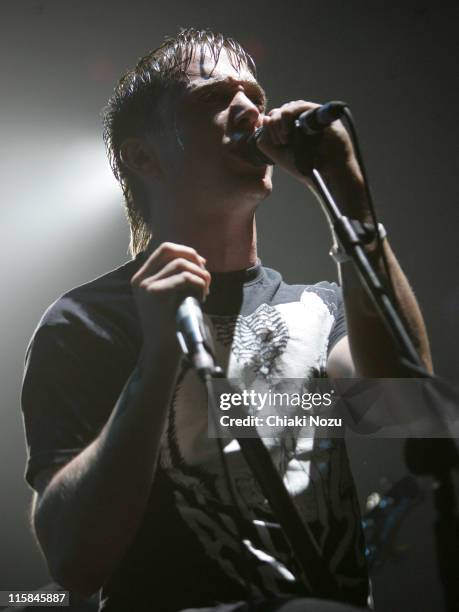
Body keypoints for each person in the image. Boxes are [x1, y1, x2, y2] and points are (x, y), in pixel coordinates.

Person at [21, 28, 432, 612]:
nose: (249, 109)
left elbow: (408, 408)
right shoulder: (87, 322)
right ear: (144, 155)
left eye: (255, 96)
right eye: (213, 98)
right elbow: (76, 562)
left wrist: (350, 196)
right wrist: (158, 358)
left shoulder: (317, 308)